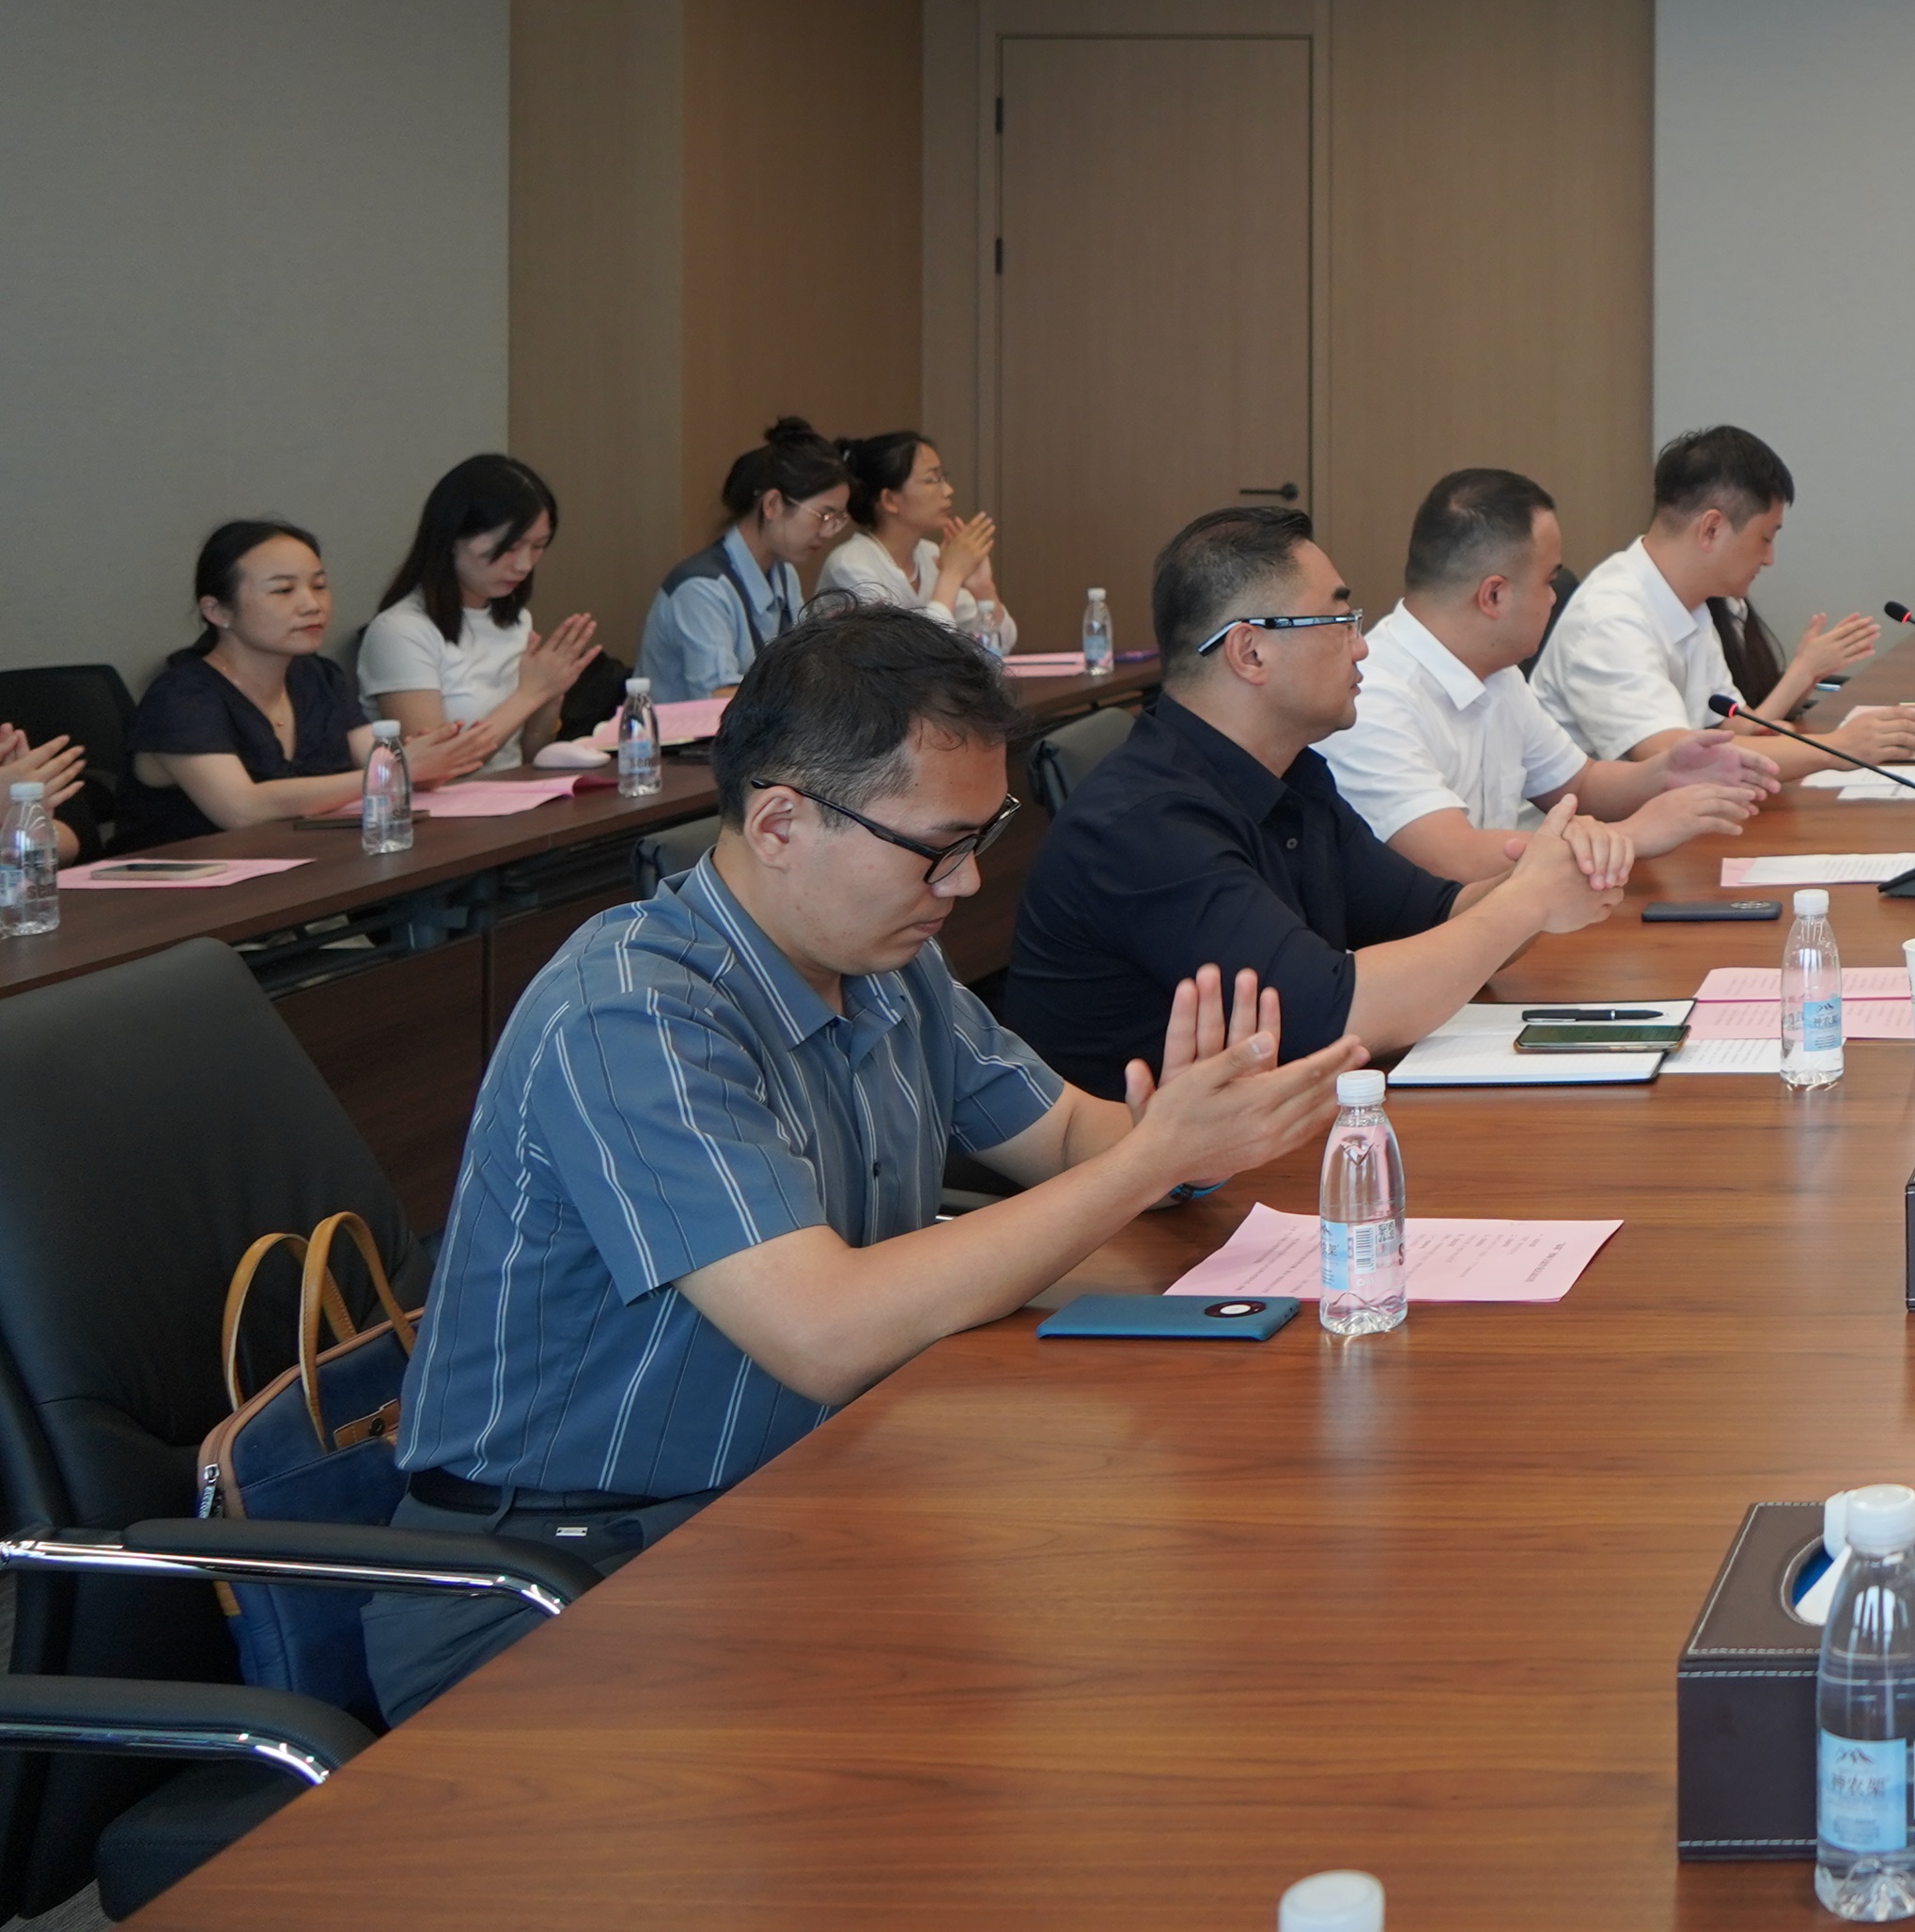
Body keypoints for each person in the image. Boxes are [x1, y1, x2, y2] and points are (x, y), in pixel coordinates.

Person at [365, 609, 1357, 1721]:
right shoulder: (631, 1013)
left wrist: (1191, 1132)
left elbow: (1069, 1136)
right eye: (938, 846)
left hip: (789, 1495)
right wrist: (1149, 1161)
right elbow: (824, 1333)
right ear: (780, 823)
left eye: (982, 838)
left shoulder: (885, 963)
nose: (964, 885)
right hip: (559, 1577)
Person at [1004, 506, 1631, 1097]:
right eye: (1339, 622)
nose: (1362, 646)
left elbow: (1440, 916)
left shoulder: (1293, 774)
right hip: (1155, 1170)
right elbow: (1337, 1014)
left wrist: (1547, 869)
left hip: (1269, 1130)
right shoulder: (1146, 825)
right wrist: (1527, 900)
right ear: (1250, 651)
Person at [1325, 465, 1773, 882]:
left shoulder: (1497, 674)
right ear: (1494, 596)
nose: (1555, 599)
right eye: (1548, 581)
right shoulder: (1373, 696)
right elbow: (1455, 856)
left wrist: (1664, 772)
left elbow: (1579, 783)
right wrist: (1632, 836)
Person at [1536, 428, 1915, 779]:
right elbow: (1675, 757)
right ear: (1712, 528)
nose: (1769, 559)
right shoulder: (1611, 619)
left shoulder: (1691, 602)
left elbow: (1730, 725)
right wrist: (1839, 748)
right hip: (1576, 829)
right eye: (1765, 539)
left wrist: (1788, 730)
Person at [126, 520, 479, 847]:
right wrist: (394, 770)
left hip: (311, 865)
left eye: (319, 586)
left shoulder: (317, 676)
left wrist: (425, 763)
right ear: (217, 611)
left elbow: (375, 760)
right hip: (191, 885)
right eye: (283, 590)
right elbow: (241, 809)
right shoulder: (181, 697)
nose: (312, 604)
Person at [360, 453, 604, 771]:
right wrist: (530, 694)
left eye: (538, 546)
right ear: (452, 538)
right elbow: (434, 768)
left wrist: (552, 694)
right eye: (509, 548)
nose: (524, 565)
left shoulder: (516, 621)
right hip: (444, 800)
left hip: (514, 793)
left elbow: (529, 754)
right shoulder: (399, 631)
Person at [636, 419, 856, 702]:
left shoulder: (784, 573)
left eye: (838, 519)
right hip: (680, 730)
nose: (828, 532)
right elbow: (717, 698)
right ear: (772, 504)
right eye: (823, 515)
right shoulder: (702, 588)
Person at [817, 430, 1013, 654]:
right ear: (890, 500)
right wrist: (951, 576)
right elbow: (911, 657)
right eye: (932, 479)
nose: (948, 490)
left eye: (943, 477)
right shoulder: (850, 565)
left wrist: (984, 590)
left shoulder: (929, 555)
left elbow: (1000, 646)